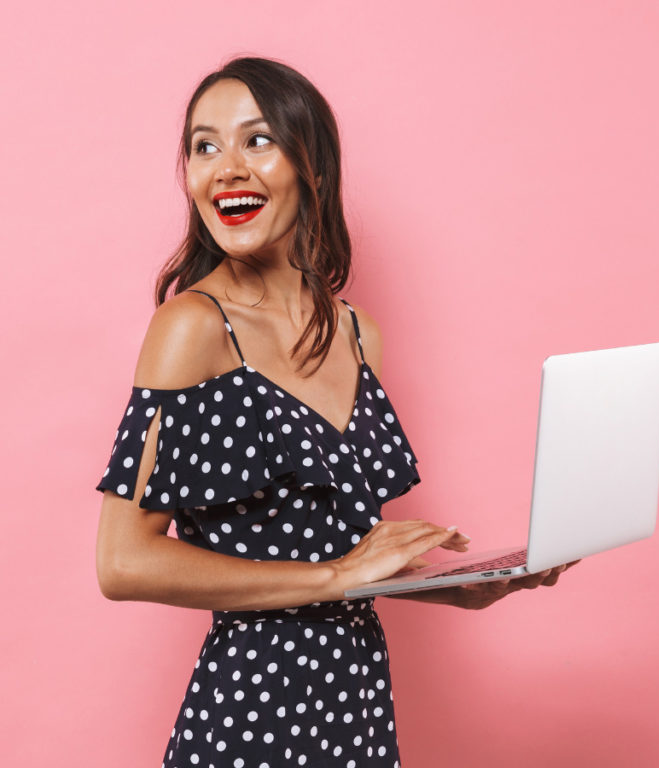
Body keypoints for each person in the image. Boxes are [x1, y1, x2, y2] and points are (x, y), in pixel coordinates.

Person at [95, 56, 574, 768]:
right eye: (204, 146)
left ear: (311, 165)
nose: (226, 167)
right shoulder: (192, 327)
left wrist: (454, 588)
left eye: (257, 140)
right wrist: (335, 578)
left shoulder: (358, 335)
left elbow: (338, 554)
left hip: (354, 699)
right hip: (251, 705)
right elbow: (122, 562)